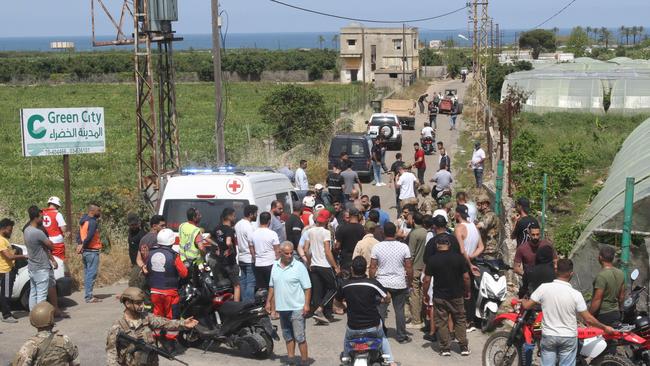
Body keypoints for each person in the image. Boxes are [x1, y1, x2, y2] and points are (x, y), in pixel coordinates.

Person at [522, 259, 614, 366]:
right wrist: (604, 327)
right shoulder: (576, 294)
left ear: (556, 272)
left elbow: (527, 306)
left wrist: (523, 300)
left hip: (549, 335)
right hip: (568, 337)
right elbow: (588, 318)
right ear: (571, 274)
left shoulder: (544, 288)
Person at [106, 287, 198, 366]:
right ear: (127, 303)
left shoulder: (146, 317)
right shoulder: (118, 326)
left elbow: (165, 323)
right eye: (138, 303)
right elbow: (111, 354)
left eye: (142, 302)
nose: (142, 306)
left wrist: (183, 324)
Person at [337, 256, 396, 366]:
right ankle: (391, 361)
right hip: (373, 326)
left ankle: (346, 357)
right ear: (366, 269)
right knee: (382, 336)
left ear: (352, 269)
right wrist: (383, 301)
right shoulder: (372, 283)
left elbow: (336, 303)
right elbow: (387, 296)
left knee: (347, 337)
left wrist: (345, 307)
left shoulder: (345, 285)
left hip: (353, 327)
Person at [422, 234, 471, 357]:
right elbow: (466, 277)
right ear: (448, 245)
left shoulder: (432, 260)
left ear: (438, 246)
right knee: (460, 319)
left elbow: (427, 280)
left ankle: (445, 348)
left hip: (439, 295)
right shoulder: (459, 258)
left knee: (442, 321)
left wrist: (425, 294)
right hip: (456, 294)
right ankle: (463, 346)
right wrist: (467, 290)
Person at [266, 242, 312, 366]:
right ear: (280, 253)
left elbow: (307, 287)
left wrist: (306, 305)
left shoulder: (299, 267)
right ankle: (291, 361)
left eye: (292, 252)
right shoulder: (275, 265)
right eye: (287, 253)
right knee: (288, 336)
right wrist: (268, 303)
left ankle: (304, 362)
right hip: (283, 308)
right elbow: (272, 286)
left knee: (300, 337)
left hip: (297, 308)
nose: (290, 255)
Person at [370, 222, 413, 344]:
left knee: (381, 310)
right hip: (399, 283)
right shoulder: (403, 247)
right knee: (399, 310)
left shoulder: (377, 247)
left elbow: (373, 267)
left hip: (382, 284)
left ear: (383, 233)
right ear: (395, 233)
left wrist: (372, 282)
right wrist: (409, 283)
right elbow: (409, 267)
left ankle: (380, 334)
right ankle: (401, 336)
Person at [12, 302, 79, 366]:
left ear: (33, 321)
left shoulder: (31, 345)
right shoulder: (65, 340)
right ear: (51, 320)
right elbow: (76, 363)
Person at [304, 209, 338, 324]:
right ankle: (321, 309)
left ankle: (321, 315)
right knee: (334, 288)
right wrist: (335, 266)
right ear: (327, 220)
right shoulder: (325, 232)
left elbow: (306, 250)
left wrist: (309, 263)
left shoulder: (310, 231)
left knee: (318, 291)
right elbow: (327, 251)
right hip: (325, 265)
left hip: (314, 265)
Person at [147, 228, 188, 319]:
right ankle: (171, 333)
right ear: (172, 241)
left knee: (157, 319)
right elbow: (184, 273)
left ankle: (157, 333)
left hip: (154, 291)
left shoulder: (150, 253)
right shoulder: (174, 256)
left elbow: (148, 269)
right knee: (171, 319)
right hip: (170, 293)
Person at [455, 204, 484, 331]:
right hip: (471, 262)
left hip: (462, 264)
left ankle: (464, 321)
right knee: (470, 291)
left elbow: (461, 250)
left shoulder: (459, 228)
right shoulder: (473, 226)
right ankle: (471, 320)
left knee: (461, 293)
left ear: (457, 214)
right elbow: (481, 247)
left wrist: (469, 262)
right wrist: (472, 257)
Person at [25, 206, 58, 310]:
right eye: (41, 217)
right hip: (41, 268)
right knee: (41, 295)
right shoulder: (38, 232)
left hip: (32, 267)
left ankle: (33, 315)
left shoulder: (26, 230)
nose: (43, 219)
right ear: (35, 218)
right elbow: (51, 246)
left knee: (33, 293)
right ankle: (40, 318)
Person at [589, 245, 624, 326]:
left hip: (603, 315)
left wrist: (589, 315)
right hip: (616, 313)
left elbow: (597, 299)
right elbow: (621, 297)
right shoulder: (621, 273)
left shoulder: (601, 276)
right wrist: (621, 310)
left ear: (600, 257)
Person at [210, 208, 241, 301]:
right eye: (234, 216)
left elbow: (207, 238)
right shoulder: (229, 229)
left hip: (221, 262)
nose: (235, 218)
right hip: (230, 262)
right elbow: (228, 242)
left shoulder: (217, 228)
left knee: (224, 286)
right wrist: (230, 249)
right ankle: (236, 307)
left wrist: (217, 245)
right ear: (229, 217)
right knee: (236, 286)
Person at [1, 218, 26, 323]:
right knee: (6, 294)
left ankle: (6, 313)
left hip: (7, 270)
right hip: (5, 271)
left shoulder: (3, 240)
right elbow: (9, 257)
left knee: (6, 293)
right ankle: (6, 315)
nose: (11, 232)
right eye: (10, 230)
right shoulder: (1, 240)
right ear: (4, 229)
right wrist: (24, 256)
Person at [406, 212, 429, 329]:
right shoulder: (426, 232)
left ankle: (416, 320)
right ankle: (423, 317)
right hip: (425, 268)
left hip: (415, 268)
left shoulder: (414, 234)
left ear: (414, 221)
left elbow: (411, 254)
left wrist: (407, 269)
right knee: (423, 293)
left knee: (414, 293)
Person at [252, 212, 281, 292]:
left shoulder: (253, 234)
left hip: (258, 265)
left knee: (263, 289)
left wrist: (255, 259)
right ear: (269, 221)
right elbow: (277, 250)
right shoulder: (272, 234)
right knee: (273, 288)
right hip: (270, 264)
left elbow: (252, 249)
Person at [235, 205, 258, 303]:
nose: (257, 215)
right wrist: (255, 257)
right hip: (249, 258)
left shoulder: (238, 224)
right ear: (251, 214)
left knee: (243, 282)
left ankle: (243, 302)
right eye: (256, 213)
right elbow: (251, 243)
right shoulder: (249, 226)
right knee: (251, 283)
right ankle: (249, 303)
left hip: (241, 257)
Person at [476, 194, 501, 260]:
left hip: (489, 250)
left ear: (485, 205)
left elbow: (481, 225)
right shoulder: (483, 216)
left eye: (478, 204)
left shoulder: (490, 215)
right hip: (484, 249)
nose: (477, 207)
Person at [41, 196, 67, 260]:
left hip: (44, 240)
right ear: (57, 205)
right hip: (57, 242)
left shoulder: (41, 213)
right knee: (59, 260)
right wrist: (65, 233)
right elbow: (63, 228)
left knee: (47, 259)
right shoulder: (57, 214)